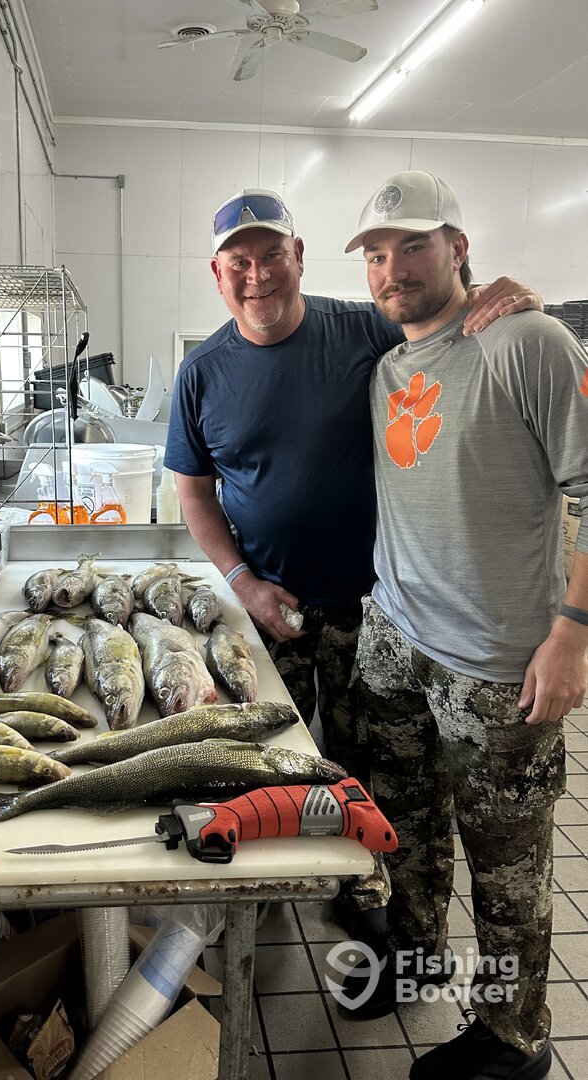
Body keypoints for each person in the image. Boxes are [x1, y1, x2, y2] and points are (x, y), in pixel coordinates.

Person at [163, 188, 540, 936]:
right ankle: (263, 885)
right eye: (239, 261)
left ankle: (364, 890)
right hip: (270, 607)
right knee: (267, 754)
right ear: (217, 274)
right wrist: (244, 582)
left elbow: (442, 313)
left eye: (272, 255)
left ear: (298, 257)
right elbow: (196, 498)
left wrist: (511, 294)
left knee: (371, 764)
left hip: (380, 609)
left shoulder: (363, 327)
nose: (258, 275)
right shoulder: (202, 373)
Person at [345, 169, 588, 1079]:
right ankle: (412, 958)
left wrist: (573, 631)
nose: (392, 266)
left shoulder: (527, 339)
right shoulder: (385, 365)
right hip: (394, 637)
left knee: (507, 865)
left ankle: (514, 1040)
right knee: (401, 824)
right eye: (376, 252)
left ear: (459, 248)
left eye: (413, 244)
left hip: (495, 662)